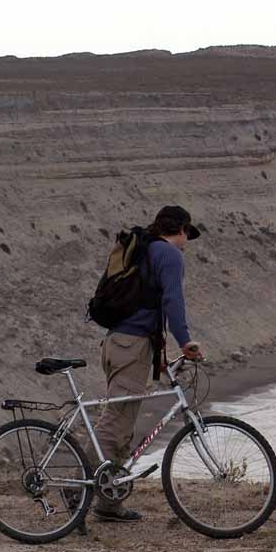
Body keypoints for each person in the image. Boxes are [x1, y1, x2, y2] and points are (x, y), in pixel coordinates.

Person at [89, 205, 205, 522]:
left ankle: (108, 503)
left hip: (120, 344)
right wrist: (185, 341)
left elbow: (148, 309)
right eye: (186, 235)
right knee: (115, 423)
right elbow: (172, 301)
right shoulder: (168, 255)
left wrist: (161, 358)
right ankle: (78, 495)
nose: (186, 243)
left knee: (121, 422)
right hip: (131, 346)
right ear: (179, 230)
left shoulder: (146, 250)